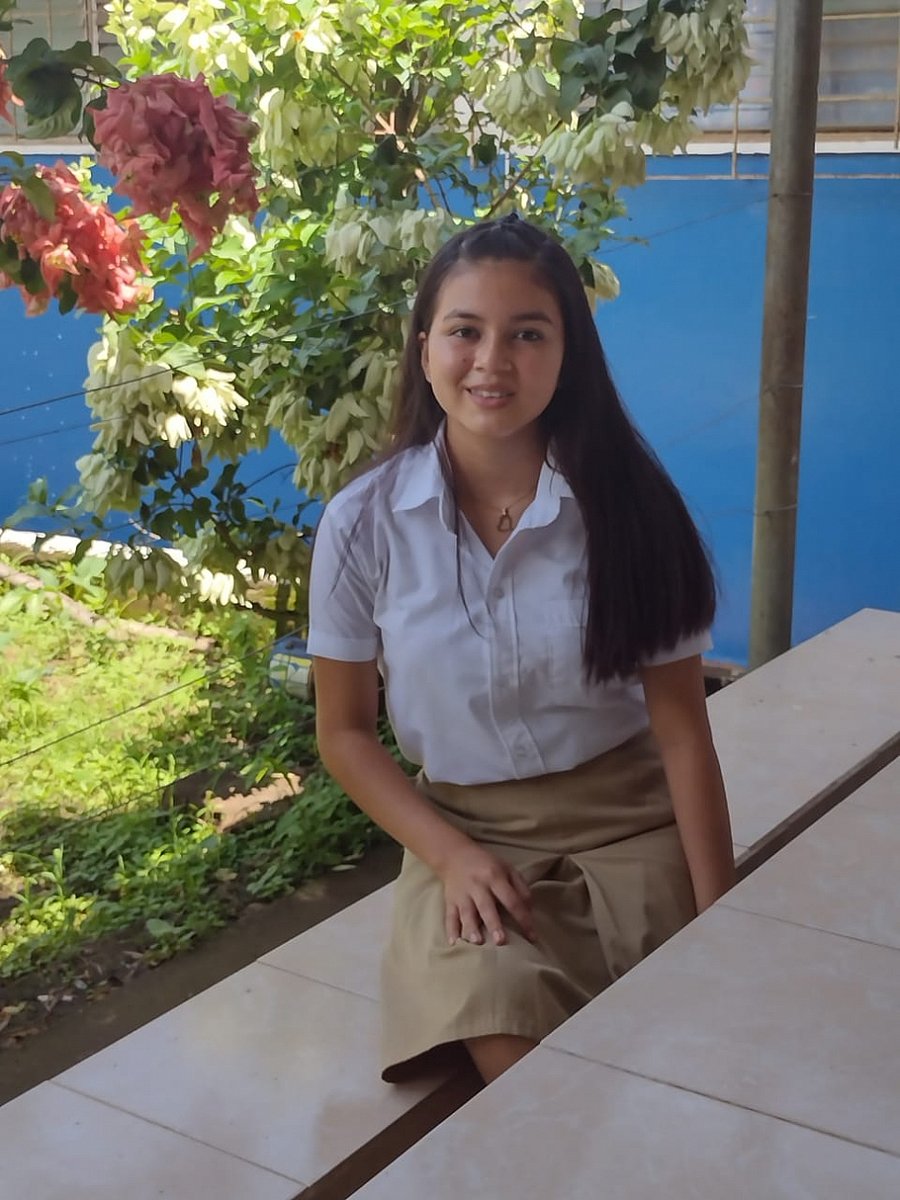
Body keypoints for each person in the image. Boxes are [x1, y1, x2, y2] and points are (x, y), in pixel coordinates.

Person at [307, 214, 736, 1086]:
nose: (492, 361)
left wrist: (727, 920)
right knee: (518, 1062)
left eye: (527, 334)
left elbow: (685, 732)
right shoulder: (363, 524)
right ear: (424, 347)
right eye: (465, 331)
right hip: (468, 836)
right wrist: (452, 856)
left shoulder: (634, 513)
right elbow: (344, 734)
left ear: (568, 353)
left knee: (673, 1056)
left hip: (630, 820)